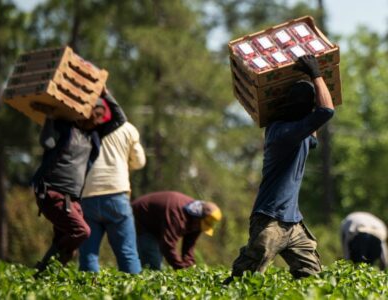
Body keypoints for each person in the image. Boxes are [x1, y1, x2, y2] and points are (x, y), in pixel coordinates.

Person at [223, 55, 335, 283]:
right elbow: (326, 112)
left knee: (312, 277)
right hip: (270, 220)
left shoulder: (299, 132)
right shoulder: (281, 133)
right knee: (245, 279)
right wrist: (316, 74)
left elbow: (316, 127)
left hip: (292, 222)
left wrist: (311, 82)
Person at [31, 88, 119, 276]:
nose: (96, 119)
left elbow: (119, 119)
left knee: (67, 245)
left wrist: (105, 93)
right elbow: (46, 143)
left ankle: (42, 278)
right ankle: (45, 273)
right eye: (94, 114)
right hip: (52, 193)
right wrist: (49, 117)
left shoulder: (94, 136)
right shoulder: (66, 128)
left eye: (99, 116)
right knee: (82, 232)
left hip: (73, 200)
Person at [78, 93, 146, 274]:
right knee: (127, 252)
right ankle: (134, 294)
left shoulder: (83, 130)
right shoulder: (127, 128)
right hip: (116, 194)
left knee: (88, 254)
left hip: (87, 197)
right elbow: (139, 162)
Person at [131, 191, 222, 270]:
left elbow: (189, 247)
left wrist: (189, 267)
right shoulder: (177, 214)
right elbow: (167, 245)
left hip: (157, 226)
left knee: (156, 262)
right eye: (202, 224)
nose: (200, 228)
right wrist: (181, 268)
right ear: (198, 216)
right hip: (140, 219)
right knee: (152, 262)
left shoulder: (197, 222)